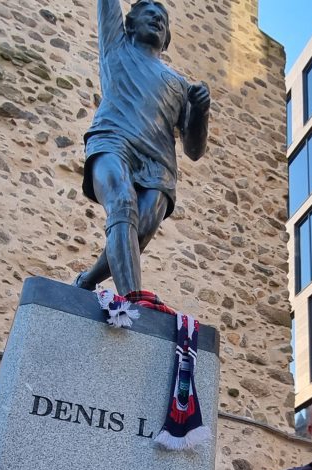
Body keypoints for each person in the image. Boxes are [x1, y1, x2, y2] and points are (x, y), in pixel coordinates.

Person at [74, 0, 211, 297]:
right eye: (149, 14)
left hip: (159, 166)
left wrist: (200, 110)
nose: (157, 20)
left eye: (163, 18)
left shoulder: (180, 85)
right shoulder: (117, 48)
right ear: (130, 24)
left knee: (138, 232)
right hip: (113, 142)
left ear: (168, 39)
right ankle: (135, 305)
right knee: (123, 204)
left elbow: (194, 150)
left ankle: (88, 280)